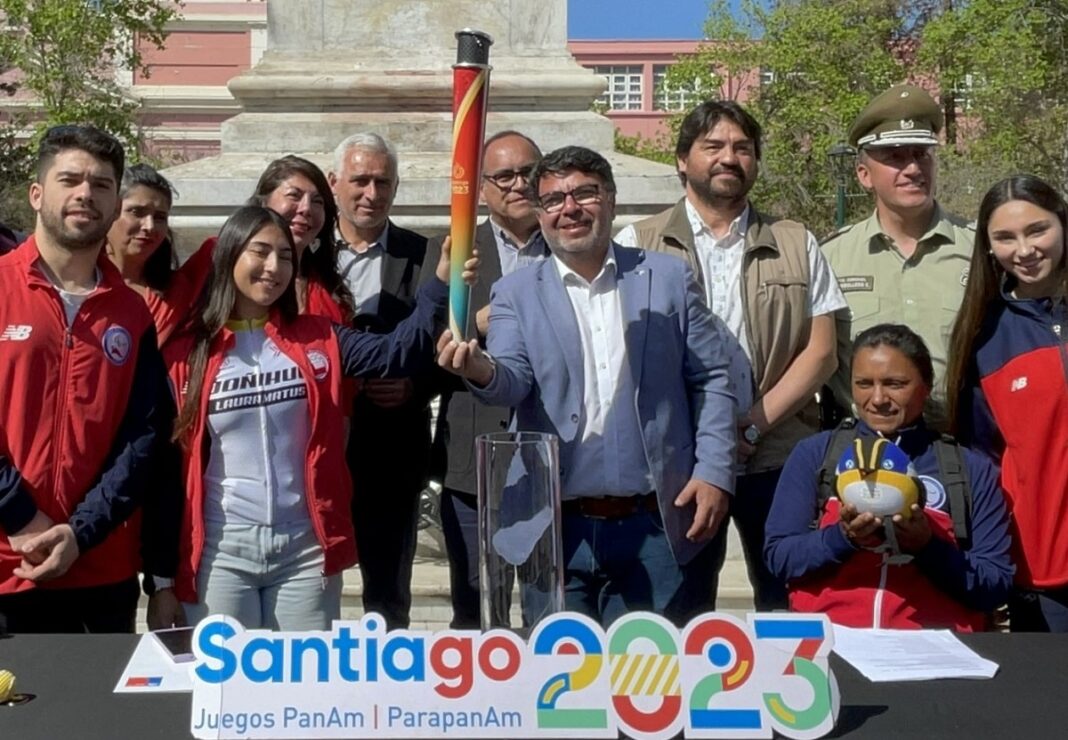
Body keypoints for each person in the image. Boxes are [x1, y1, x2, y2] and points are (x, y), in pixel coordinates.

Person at [437, 145, 737, 627]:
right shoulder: (515, 292)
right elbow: (511, 380)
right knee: (559, 669)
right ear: (540, 213)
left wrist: (714, 471)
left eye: (585, 193)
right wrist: (478, 368)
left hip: (655, 523)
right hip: (556, 528)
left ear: (611, 199)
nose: (570, 208)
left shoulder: (668, 279)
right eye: (554, 199)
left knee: (648, 670)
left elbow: (713, 378)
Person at [164, 205, 474, 631]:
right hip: (221, 550)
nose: (274, 267)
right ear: (229, 254)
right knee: (227, 676)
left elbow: (396, 352)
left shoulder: (318, 336)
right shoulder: (186, 352)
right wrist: (161, 578)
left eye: (285, 256)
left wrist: (439, 282)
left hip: (304, 550)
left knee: (303, 674)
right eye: (260, 252)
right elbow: (163, 468)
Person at [616, 100, 845, 611]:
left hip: (779, 457)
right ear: (682, 159)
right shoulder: (637, 244)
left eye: (742, 148)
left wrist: (752, 427)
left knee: (788, 608)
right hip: (682, 465)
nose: (728, 158)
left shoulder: (795, 241)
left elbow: (822, 351)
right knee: (678, 614)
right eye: (713, 146)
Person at [0, 125, 178, 633]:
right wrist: (19, 515)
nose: (85, 194)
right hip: (7, 565)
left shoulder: (132, 312)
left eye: (101, 185)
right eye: (70, 180)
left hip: (98, 570)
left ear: (115, 203)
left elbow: (143, 439)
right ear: (37, 194)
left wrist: (80, 533)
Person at [764, 324, 1012, 630]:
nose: (878, 398)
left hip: (932, 648)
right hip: (829, 641)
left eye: (895, 384)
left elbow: (996, 583)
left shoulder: (968, 469)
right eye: (864, 384)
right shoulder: (816, 454)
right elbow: (779, 558)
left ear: (926, 385)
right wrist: (843, 538)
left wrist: (928, 548)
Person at [422, 130, 549, 628]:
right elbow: (420, 351)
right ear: (481, 188)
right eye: (504, 176)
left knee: (549, 612)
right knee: (477, 613)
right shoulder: (452, 251)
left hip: (554, 457)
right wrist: (473, 325)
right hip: (474, 459)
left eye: (528, 173)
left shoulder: (569, 242)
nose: (518, 184)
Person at [947, 175, 1068, 632]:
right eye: (1006, 237)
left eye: (1038, 230)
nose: (1024, 249)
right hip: (1042, 568)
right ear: (988, 246)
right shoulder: (984, 337)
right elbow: (981, 460)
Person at [822, 84, 974, 431]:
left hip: (964, 442)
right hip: (865, 449)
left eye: (921, 154)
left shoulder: (978, 250)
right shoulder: (831, 258)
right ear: (864, 175)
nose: (912, 168)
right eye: (895, 157)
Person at [330, 132, 432, 629]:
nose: (372, 194)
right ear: (334, 183)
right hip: (317, 443)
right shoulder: (302, 256)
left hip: (393, 444)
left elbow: (445, 339)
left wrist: (415, 386)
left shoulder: (424, 255)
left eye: (383, 182)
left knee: (388, 593)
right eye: (360, 180)